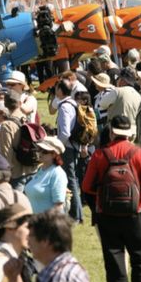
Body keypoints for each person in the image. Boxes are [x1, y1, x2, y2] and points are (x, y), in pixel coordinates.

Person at [82, 115, 141, 282]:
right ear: (130, 133)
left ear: (111, 132)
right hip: (136, 214)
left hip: (107, 216)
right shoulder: (139, 154)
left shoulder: (100, 154)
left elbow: (87, 186)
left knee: (115, 268)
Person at [3, 211, 95, 282]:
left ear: (45, 241)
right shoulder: (55, 272)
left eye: (31, 235)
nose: (28, 240)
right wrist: (14, 278)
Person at [0, 89, 40, 190]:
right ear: (20, 103)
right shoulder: (27, 119)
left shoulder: (7, 125)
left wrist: (4, 177)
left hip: (17, 174)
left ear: (5, 105)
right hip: (32, 169)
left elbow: (6, 153)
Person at [55, 79, 84, 222]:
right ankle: (76, 213)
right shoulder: (71, 104)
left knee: (71, 180)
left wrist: (58, 147)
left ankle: (76, 215)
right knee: (72, 179)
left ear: (60, 90)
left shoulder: (65, 107)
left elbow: (65, 132)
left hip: (67, 147)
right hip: (72, 146)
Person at [25, 136, 68, 213]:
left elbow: (58, 206)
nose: (40, 153)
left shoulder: (58, 173)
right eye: (39, 149)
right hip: (33, 221)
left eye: (44, 151)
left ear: (54, 154)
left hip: (47, 222)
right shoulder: (40, 170)